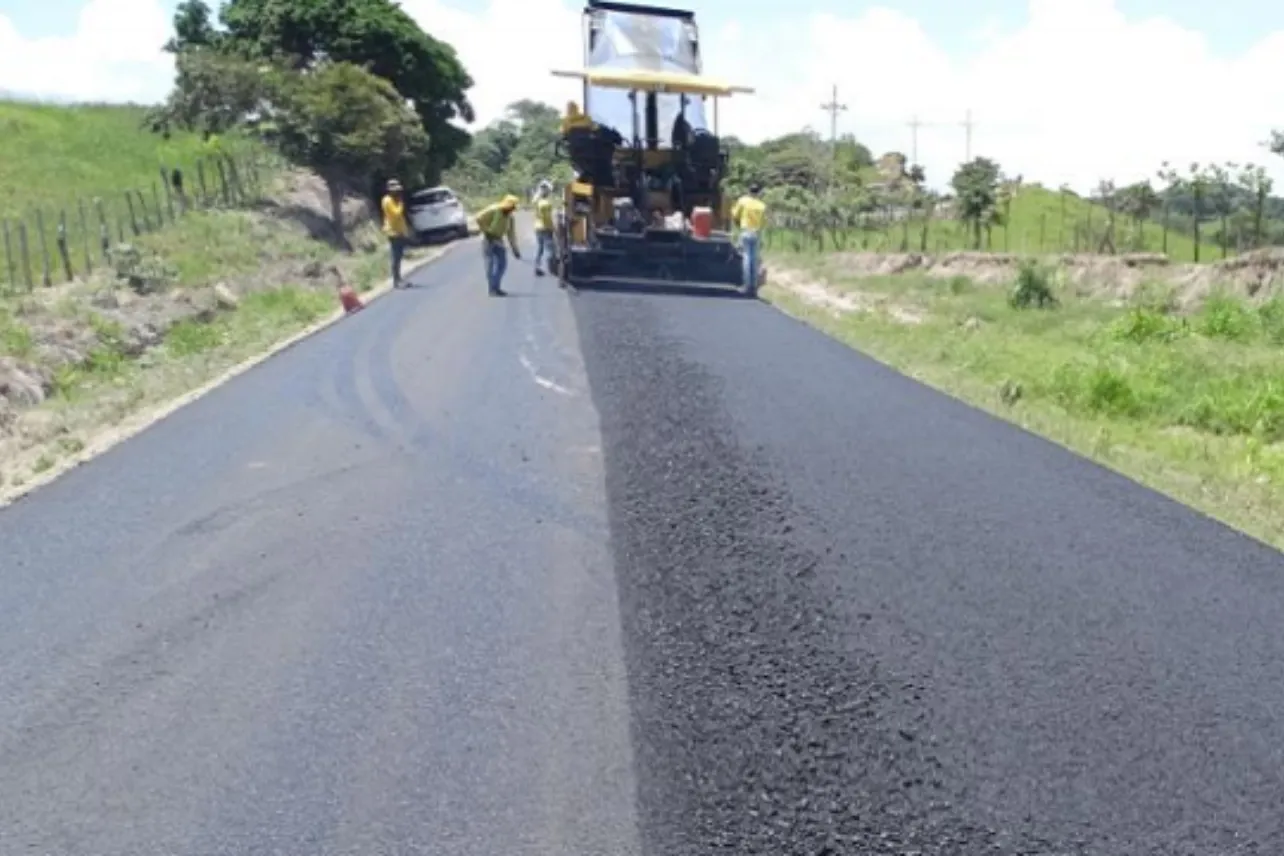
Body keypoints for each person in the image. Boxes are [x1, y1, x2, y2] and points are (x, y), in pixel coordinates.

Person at [475, 194, 522, 296]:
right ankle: (492, 289)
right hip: (488, 239)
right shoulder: (494, 209)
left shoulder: (510, 217)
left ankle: (496, 286)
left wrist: (515, 249)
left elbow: (511, 234)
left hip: (498, 240)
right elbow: (478, 218)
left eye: (513, 208)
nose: (512, 210)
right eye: (511, 207)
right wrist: (486, 231)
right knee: (490, 264)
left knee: (502, 264)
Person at [730, 183, 767, 296]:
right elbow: (763, 222)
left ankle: (747, 285)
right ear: (758, 192)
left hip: (746, 231)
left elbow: (734, 214)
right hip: (757, 233)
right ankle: (754, 287)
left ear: (749, 191)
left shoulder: (743, 201)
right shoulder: (762, 205)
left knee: (746, 258)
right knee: (754, 259)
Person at [382, 179, 412, 289]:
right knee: (395, 257)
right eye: (395, 190)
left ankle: (399, 279)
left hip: (398, 231)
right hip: (393, 232)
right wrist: (400, 203)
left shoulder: (393, 200)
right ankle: (396, 281)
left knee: (399, 257)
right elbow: (396, 214)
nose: (397, 192)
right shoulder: (388, 201)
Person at [532, 181, 555, 277]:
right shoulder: (546, 204)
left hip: (537, 227)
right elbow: (547, 218)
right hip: (545, 228)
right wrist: (553, 228)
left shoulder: (536, 201)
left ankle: (537, 267)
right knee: (550, 249)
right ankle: (552, 268)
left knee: (540, 248)